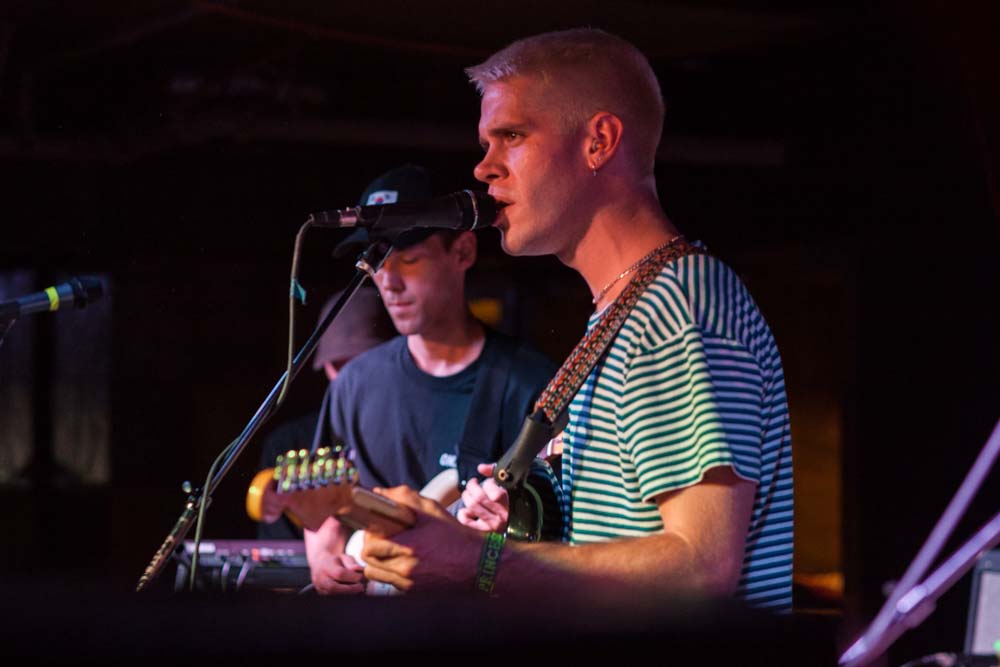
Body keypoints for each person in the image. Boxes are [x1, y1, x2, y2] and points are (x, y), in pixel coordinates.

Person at [360, 29, 794, 612]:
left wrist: (477, 562)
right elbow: (624, 547)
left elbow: (700, 565)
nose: (484, 168)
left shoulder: (677, 308)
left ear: (600, 141)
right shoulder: (628, 309)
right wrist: (525, 531)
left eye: (510, 136)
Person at [303, 164, 558, 594]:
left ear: (462, 253)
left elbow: (554, 542)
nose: (389, 282)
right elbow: (325, 504)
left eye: (409, 259)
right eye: (377, 263)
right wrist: (323, 558)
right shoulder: (355, 385)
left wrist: (497, 545)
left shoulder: (531, 384)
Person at [255, 286, 394, 540]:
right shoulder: (288, 444)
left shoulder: (409, 432)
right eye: (337, 366)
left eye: (360, 364)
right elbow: (279, 558)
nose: (347, 379)